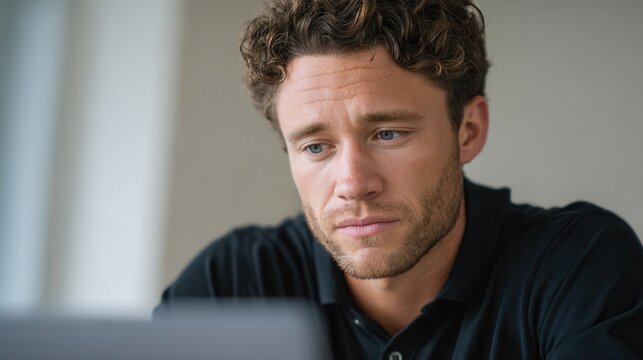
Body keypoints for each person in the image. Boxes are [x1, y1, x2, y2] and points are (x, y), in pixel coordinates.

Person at [155, 0, 643, 358]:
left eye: (388, 133)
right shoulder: (233, 287)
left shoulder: (576, 268)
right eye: (316, 147)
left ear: (468, 131)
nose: (353, 183)